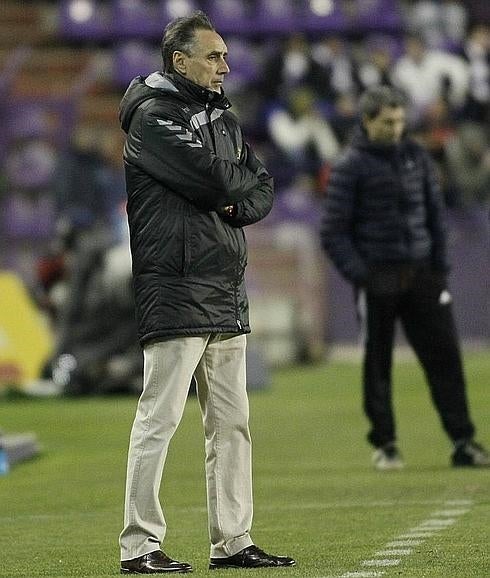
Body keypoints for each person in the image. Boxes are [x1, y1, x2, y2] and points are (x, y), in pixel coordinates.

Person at [117, 11, 295, 574]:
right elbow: (220, 181)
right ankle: (139, 545)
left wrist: (229, 197)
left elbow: (260, 187)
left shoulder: (221, 117)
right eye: (213, 56)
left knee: (232, 423)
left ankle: (233, 541)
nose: (225, 66)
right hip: (175, 284)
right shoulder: (151, 118)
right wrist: (227, 192)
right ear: (180, 60)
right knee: (159, 419)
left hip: (224, 285)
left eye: (224, 56)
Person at [320, 85, 489, 471]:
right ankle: (386, 443)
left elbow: (435, 216)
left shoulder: (418, 157)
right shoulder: (350, 166)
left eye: (399, 121)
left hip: (423, 275)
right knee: (377, 362)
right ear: (367, 122)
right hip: (378, 277)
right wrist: (362, 276)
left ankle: (463, 440)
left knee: (446, 359)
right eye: (387, 122)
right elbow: (333, 232)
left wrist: (438, 268)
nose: (396, 129)